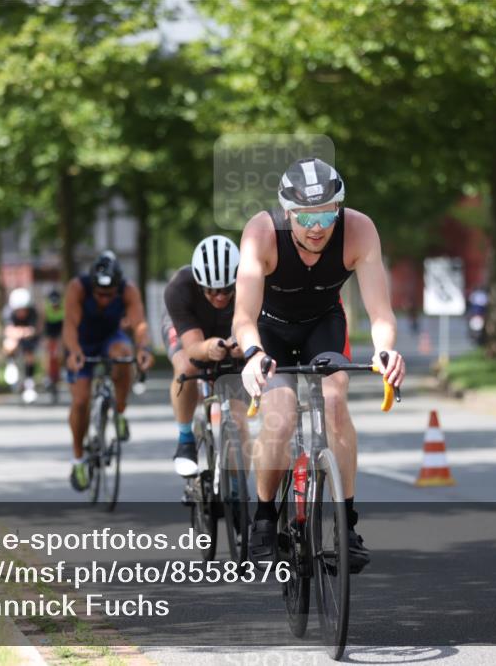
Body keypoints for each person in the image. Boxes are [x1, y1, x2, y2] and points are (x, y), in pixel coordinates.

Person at [233, 157, 405, 573]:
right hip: (269, 329)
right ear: (287, 212)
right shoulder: (261, 233)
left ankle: (347, 525)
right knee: (280, 413)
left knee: (334, 401)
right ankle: (263, 518)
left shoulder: (359, 231)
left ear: (339, 209)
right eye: (306, 217)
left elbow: (381, 314)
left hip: (322, 325)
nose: (317, 227)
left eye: (327, 215)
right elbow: (242, 317)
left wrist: (385, 351)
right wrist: (253, 355)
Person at [63, 251, 154, 491]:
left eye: (110, 294)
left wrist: (143, 348)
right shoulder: (78, 288)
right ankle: (78, 458)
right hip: (82, 342)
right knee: (80, 401)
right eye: (100, 294)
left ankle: (120, 410)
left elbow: (139, 324)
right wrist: (73, 351)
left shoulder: (128, 290)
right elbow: (70, 325)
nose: (104, 299)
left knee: (124, 356)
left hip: (110, 339)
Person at [162, 235, 245, 476]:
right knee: (187, 366)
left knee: (239, 418)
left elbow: (250, 328)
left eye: (227, 290)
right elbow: (193, 347)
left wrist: (241, 345)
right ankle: (185, 439)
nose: (220, 297)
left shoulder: (250, 282)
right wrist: (209, 348)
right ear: (200, 284)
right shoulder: (179, 288)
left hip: (227, 329)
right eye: (212, 291)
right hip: (189, 329)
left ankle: (236, 485)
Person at [3, 287, 40, 404]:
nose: (22, 313)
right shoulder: (8, 312)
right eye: (19, 310)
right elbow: (8, 331)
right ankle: (11, 364)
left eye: (24, 310)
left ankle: (29, 383)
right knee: (10, 344)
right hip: (15, 337)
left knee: (30, 354)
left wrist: (24, 332)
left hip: (28, 339)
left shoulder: (33, 312)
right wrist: (23, 332)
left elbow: (34, 330)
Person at [43, 288, 65, 390]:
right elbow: (44, 325)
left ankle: (60, 372)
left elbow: (65, 326)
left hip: (60, 332)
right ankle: (48, 375)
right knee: (49, 355)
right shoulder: (47, 309)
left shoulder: (63, 308)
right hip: (50, 333)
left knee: (60, 353)